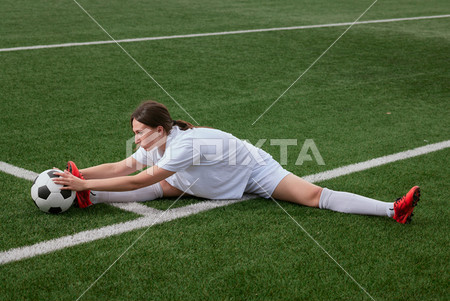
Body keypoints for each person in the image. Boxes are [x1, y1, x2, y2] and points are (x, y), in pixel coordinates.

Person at [54, 100, 420, 224]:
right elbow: (122, 168)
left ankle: (392, 210)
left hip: (253, 170)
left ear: (161, 129)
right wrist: (79, 175)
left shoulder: (183, 146)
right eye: (134, 133)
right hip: (209, 179)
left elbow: (135, 180)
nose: (136, 139)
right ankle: (91, 198)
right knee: (163, 187)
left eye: (140, 132)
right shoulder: (158, 142)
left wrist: (84, 183)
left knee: (313, 196)